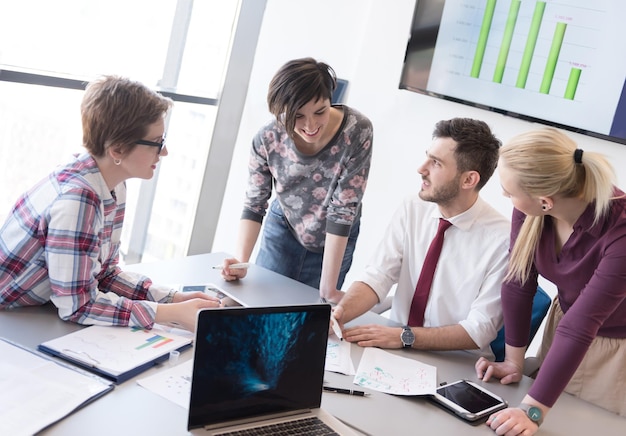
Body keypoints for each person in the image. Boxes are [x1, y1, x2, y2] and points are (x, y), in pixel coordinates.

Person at [0, 76, 220, 332]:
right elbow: (78, 305)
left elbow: (103, 274)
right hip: (11, 322)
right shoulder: (78, 199)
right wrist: (169, 314)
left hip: (34, 315)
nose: (164, 152)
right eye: (157, 142)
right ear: (117, 150)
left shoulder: (111, 182)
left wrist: (171, 299)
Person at [475, 128, 626, 434]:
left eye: (508, 191)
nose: (505, 197)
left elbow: (583, 323)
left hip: (616, 349)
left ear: (545, 200)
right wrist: (513, 361)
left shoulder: (620, 231)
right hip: (566, 329)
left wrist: (532, 411)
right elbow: (519, 282)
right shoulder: (533, 210)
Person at [333, 118, 509, 358]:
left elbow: (480, 328)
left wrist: (405, 337)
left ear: (469, 180)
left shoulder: (502, 240)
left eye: (435, 163)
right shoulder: (413, 207)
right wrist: (338, 314)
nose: (421, 168)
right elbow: (379, 275)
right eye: (428, 156)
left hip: (457, 360)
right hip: (392, 347)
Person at [219, 57, 373, 302]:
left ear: (330, 99)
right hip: (283, 228)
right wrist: (240, 262)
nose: (310, 125)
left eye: (320, 111)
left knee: (309, 318)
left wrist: (328, 289)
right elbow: (254, 203)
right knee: (260, 309)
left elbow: (343, 209)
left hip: (334, 239)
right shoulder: (267, 138)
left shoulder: (357, 130)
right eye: (298, 116)